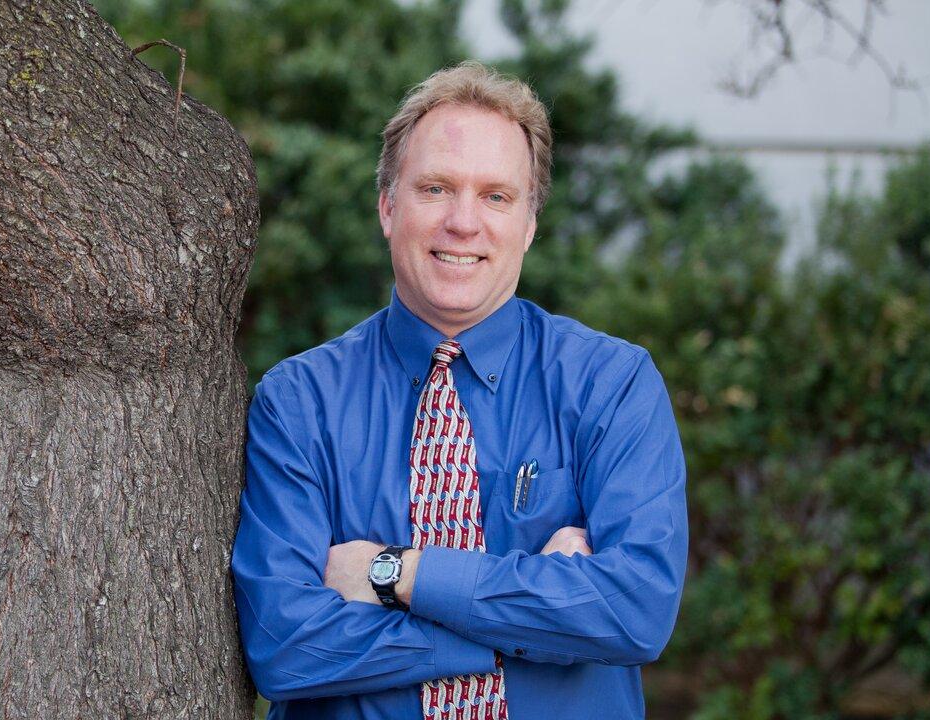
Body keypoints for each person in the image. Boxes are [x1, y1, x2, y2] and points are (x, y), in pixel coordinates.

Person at [231, 61, 688, 720]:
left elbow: (635, 610)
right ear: (388, 207)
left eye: (496, 196)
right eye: (436, 188)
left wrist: (397, 573)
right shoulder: (300, 402)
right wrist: (530, 626)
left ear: (529, 223)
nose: (464, 223)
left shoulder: (611, 385)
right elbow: (285, 646)